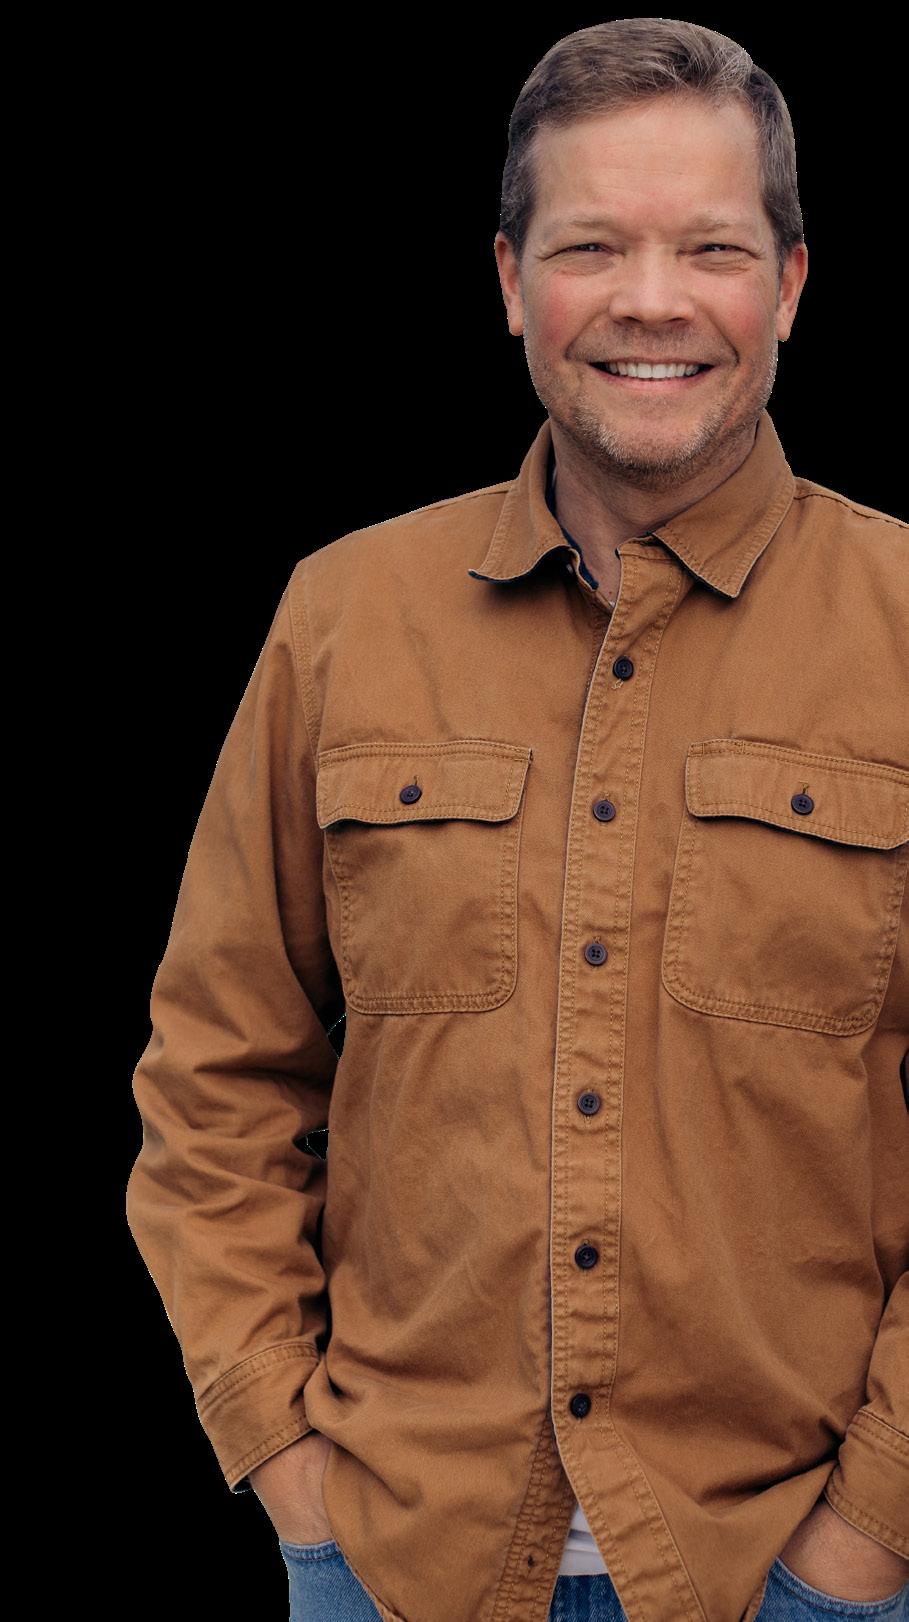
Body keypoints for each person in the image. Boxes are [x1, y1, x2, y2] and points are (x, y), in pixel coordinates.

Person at [125, 17, 909, 1622]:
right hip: (395, 1565)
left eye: (710, 247)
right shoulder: (342, 615)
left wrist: (865, 1533)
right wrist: (289, 1464)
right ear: (507, 281)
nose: (650, 299)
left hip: (781, 1573)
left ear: (788, 284)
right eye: (589, 246)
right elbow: (217, 1071)